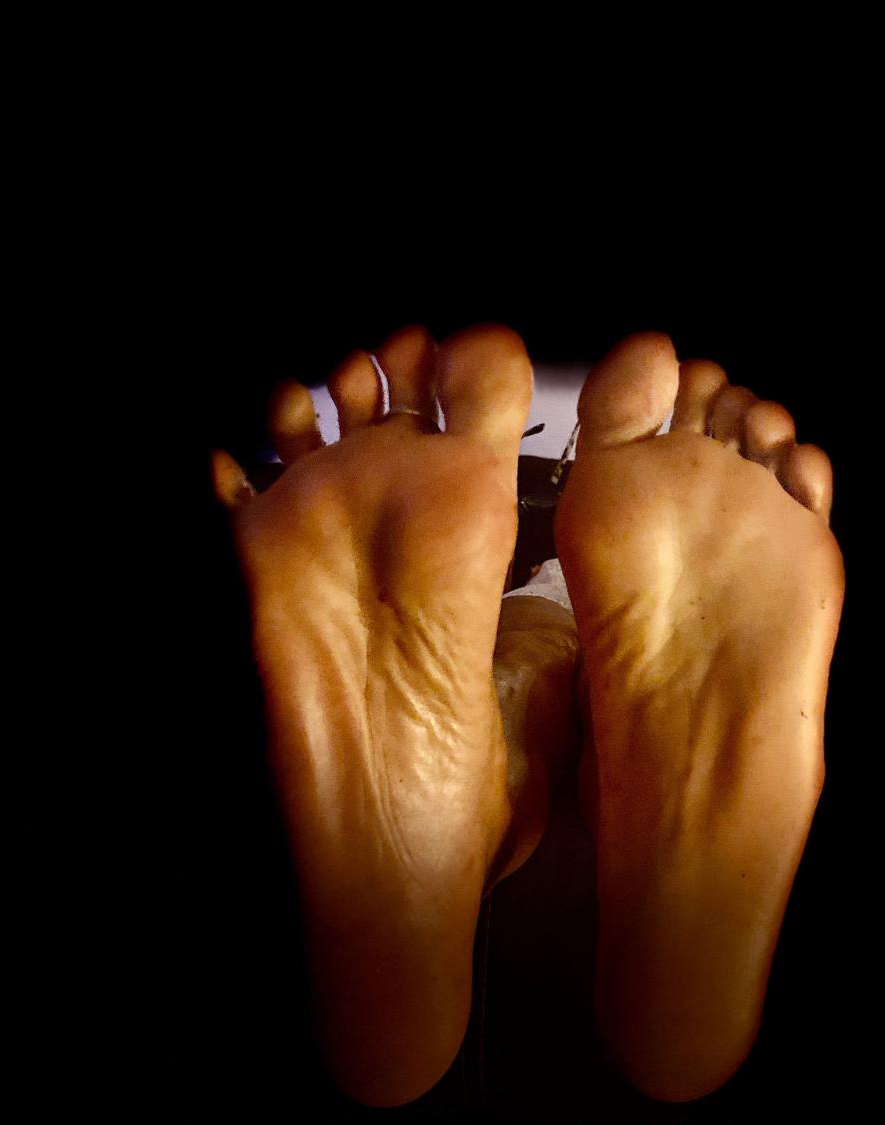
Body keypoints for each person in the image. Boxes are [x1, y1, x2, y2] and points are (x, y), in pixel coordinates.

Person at [210, 324, 844, 1107]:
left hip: (532, 639)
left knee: (528, 634)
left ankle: (495, 777)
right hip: (597, 651)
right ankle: (628, 788)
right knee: (561, 616)